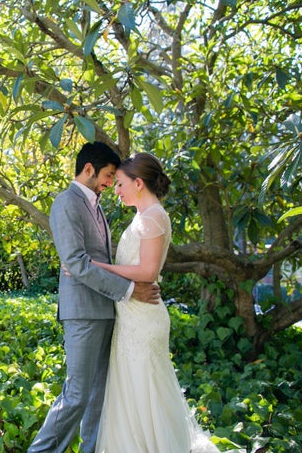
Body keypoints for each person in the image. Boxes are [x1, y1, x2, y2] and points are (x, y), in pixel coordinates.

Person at [28, 142, 161, 453]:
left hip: (106, 311)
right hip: (83, 312)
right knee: (76, 393)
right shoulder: (66, 203)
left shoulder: (96, 206)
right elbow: (75, 262)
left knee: (98, 395)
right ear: (88, 169)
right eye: (107, 175)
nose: (110, 182)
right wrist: (130, 290)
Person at [92, 152, 222, 453]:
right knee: (131, 393)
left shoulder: (153, 217)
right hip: (131, 318)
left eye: (121, 184)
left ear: (139, 183)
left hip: (144, 320)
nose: (117, 189)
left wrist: (101, 267)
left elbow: (148, 272)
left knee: (145, 391)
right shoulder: (143, 216)